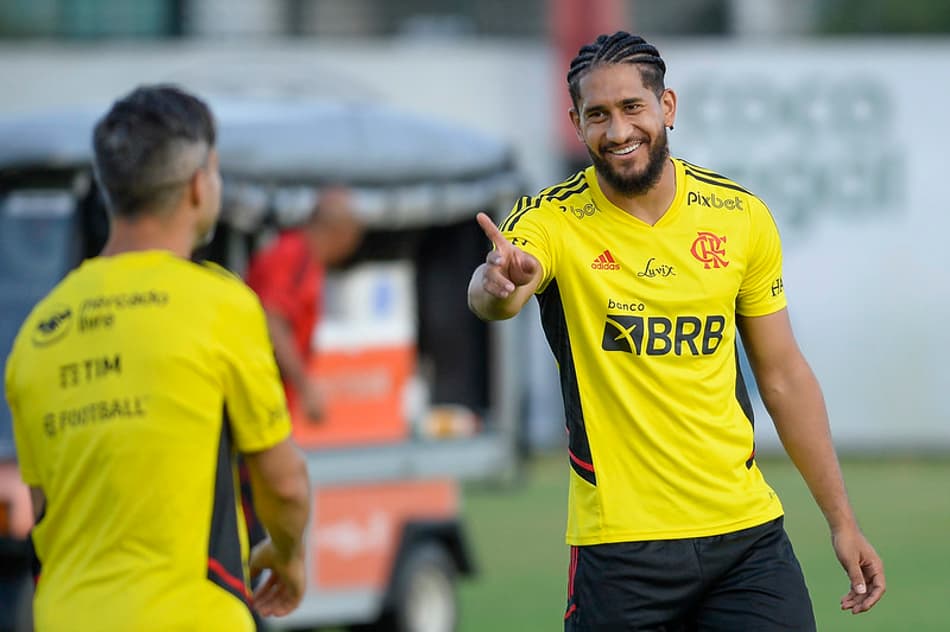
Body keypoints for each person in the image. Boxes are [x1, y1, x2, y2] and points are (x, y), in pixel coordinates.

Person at [468, 32, 885, 631]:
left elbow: (784, 375)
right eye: (598, 115)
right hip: (621, 550)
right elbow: (495, 297)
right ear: (575, 123)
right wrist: (496, 284)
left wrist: (842, 521)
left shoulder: (740, 217)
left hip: (745, 540)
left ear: (666, 106)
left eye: (632, 108)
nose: (617, 131)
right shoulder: (549, 220)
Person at [3, 85, 311, 631]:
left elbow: (44, 506)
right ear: (199, 184)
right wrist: (286, 556)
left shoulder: (38, 334)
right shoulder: (220, 305)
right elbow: (282, 483)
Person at [245, 186, 363, 423]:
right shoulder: (294, 254)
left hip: (265, 402)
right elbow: (271, 319)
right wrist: (306, 387)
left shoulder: (304, 259)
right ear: (342, 232)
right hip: (256, 402)